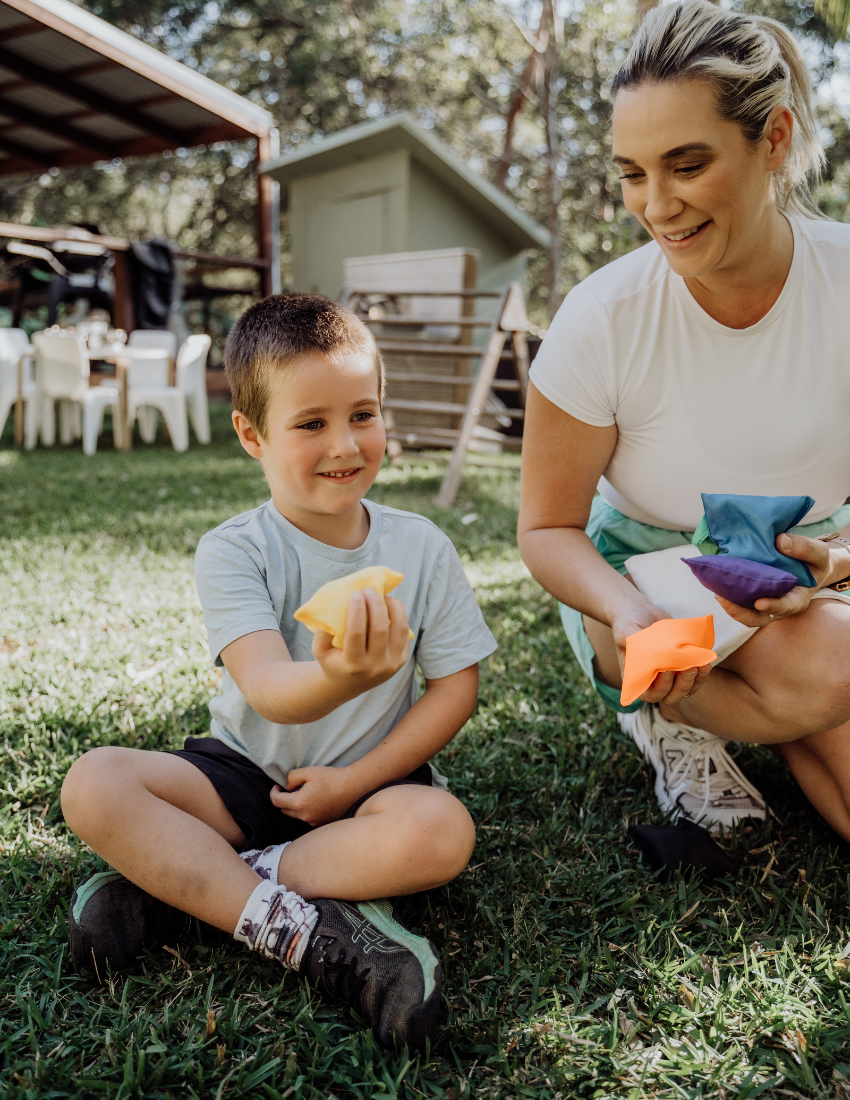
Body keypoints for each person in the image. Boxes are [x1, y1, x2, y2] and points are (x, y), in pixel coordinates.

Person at [61, 294, 496, 1051]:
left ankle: (187, 891)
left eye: (364, 414)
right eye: (311, 423)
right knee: (94, 784)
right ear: (251, 435)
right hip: (243, 775)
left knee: (441, 834)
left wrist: (355, 781)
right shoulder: (234, 550)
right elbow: (267, 688)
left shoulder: (421, 546)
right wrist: (342, 676)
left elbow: (456, 687)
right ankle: (298, 932)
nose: (346, 444)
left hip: (374, 789)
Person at [518, 0, 850, 835]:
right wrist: (627, 615)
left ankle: (777, 711)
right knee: (834, 666)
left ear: (772, 139)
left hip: (816, 586)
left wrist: (839, 558)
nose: (655, 204)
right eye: (633, 172)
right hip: (650, 582)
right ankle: (669, 712)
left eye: (687, 164)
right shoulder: (602, 319)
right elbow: (547, 528)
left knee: (828, 671)